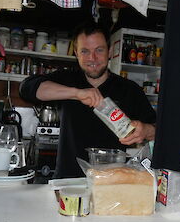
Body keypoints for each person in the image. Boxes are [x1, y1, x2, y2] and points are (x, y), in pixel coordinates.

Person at [19, 21, 156, 178]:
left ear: (110, 51)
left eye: (99, 50)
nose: (92, 58)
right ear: (76, 53)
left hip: (110, 182)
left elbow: (159, 131)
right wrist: (76, 93)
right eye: (85, 51)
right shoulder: (66, 79)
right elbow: (26, 88)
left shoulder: (129, 89)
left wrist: (146, 130)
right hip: (68, 181)